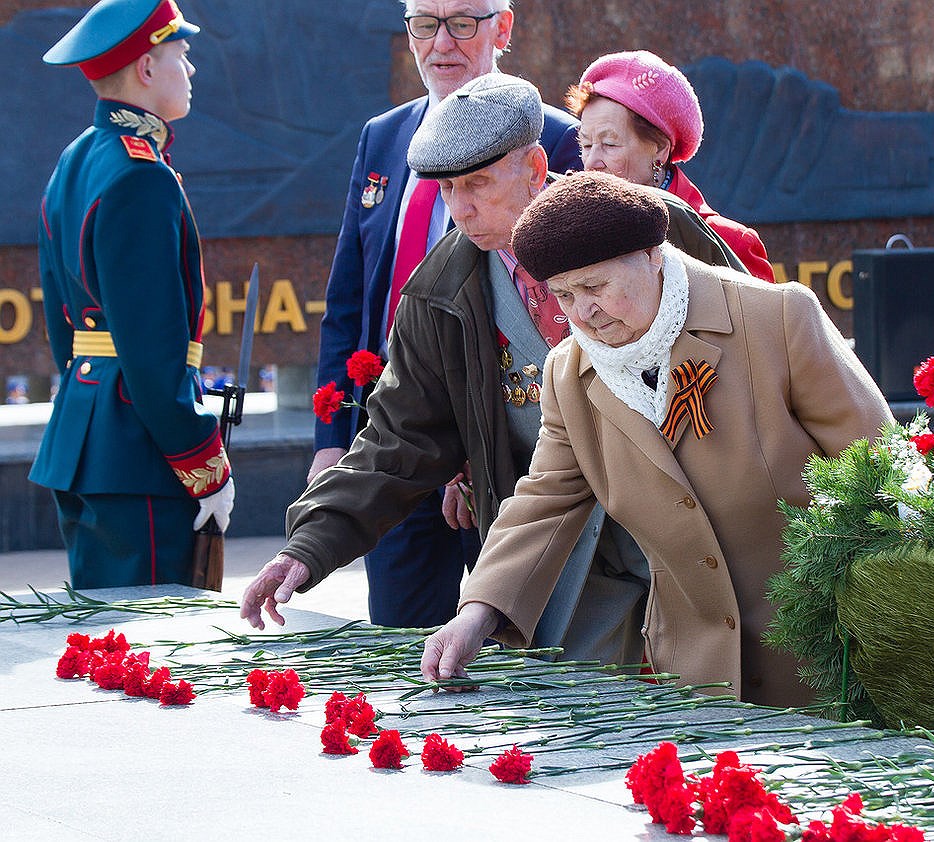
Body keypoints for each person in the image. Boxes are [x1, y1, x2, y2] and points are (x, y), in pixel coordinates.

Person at [240, 76, 747, 657]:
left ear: (535, 168)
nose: (460, 209)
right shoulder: (439, 291)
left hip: (697, 541)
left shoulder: (653, 223)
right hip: (564, 568)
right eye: (446, 190)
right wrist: (305, 548)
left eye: (477, 183)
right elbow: (398, 438)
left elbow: (748, 350)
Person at [418, 171, 892, 708]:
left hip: (827, 646)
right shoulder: (568, 374)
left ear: (653, 256)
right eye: (563, 295)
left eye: (595, 287)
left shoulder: (776, 319)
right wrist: (476, 614)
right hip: (698, 669)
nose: (582, 313)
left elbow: (880, 468)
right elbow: (543, 502)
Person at [311, 0, 583, 628]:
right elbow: (351, 296)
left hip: (513, 461)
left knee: (522, 655)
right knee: (404, 654)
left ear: (503, 28)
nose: (441, 43)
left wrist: (471, 452)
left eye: (463, 22)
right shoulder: (383, 137)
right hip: (402, 440)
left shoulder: (556, 137)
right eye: (424, 24)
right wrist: (333, 442)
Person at [30, 0, 233, 589]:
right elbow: (151, 350)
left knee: (104, 648)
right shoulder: (142, 174)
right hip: (141, 453)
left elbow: (62, 329)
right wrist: (204, 465)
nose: (190, 70)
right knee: (145, 658)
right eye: (182, 55)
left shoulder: (76, 159)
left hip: (92, 436)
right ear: (146, 69)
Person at [565, 50, 776, 283]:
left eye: (610, 144)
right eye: (585, 144)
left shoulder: (729, 242)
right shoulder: (575, 231)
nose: (591, 162)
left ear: (660, 149)